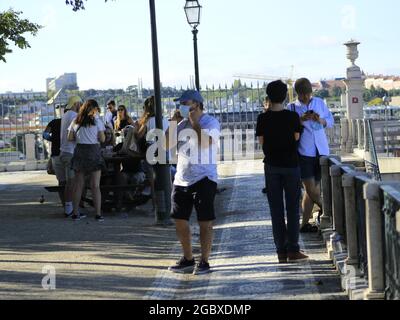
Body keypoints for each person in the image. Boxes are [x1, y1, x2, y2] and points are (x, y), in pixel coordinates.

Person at [167, 90, 221, 275]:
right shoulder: (180, 124)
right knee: (179, 220)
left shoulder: (210, 122)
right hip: (182, 178)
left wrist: (194, 123)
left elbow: (206, 143)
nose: (180, 105)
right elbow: (165, 144)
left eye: (184, 102)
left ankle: (204, 261)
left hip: (204, 177)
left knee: (204, 221)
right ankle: (188, 258)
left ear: (196, 104)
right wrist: (173, 124)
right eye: (179, 102)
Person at [256, 80, 308, 264]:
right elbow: (296, 138)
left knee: (276, 210)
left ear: (268, 97)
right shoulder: (292, 117)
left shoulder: (262, 118)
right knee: (293, 208)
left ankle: (281, 251)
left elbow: (262, 142)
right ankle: (293, 249)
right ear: (285, 96)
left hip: (271, 166)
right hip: (291, 166)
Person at [289, 78, 334, 233]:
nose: (306, 98)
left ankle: (304, 224)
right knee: (311, 189)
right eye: (303, 95)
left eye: (308, 95)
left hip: (321, 151)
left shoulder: (320, 103)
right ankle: (330, 211)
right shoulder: (292, 108)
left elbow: (330, 120)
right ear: (298, 94)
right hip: (304, 152)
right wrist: (301, 120)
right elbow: (289, 129)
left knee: (311, 191)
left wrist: (319, 119)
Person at [68, 99, 106, 222]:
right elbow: (102, 139)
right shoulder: (97, 121)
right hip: (93, 152)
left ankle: (75, 213)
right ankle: (98, 214)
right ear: (94, 109)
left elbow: (70, 137)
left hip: (80, 152)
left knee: (78, 185)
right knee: (95, 185)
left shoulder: (76, 121)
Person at [59, 96, 82, 217]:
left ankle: (69, 207)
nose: (81, 106)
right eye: (80, 104)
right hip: (71, 153)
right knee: (72, 182)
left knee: (70, 182)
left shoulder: (65, 115)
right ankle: (70, 209)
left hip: (64, 152)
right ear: (76, 104)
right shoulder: (74, 115)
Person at [43, 116, 64, 206]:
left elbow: (45, 135)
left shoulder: (54, 122)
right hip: (71, 154)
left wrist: (53, 139)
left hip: (56, 154)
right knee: (74, 181)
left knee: (61, 181)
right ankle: (76, 204)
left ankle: (65, 204)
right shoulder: (75, 121)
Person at [257, 96, 270, 194]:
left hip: (269, 147)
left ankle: (269, 186)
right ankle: (268, 185)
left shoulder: (262, 117)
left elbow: (260, 139)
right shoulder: (262, 117)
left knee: (268, 166)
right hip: (268, 148)